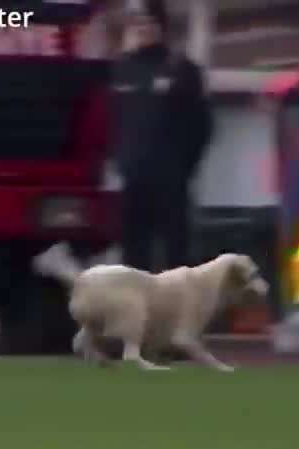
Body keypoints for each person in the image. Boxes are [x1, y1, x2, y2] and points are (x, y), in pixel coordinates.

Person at [109, 0, 214, 272]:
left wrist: (181, 169)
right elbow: (110, 123)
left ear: (161, 25)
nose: (141, 26)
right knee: (133, 259)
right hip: (132, 181)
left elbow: (202, 127)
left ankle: (177, 313)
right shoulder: (120, 70)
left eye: (147, 20)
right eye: (136, 20)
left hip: (171, 181)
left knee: (175, 260)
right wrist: (120, 162)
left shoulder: (182, 70)